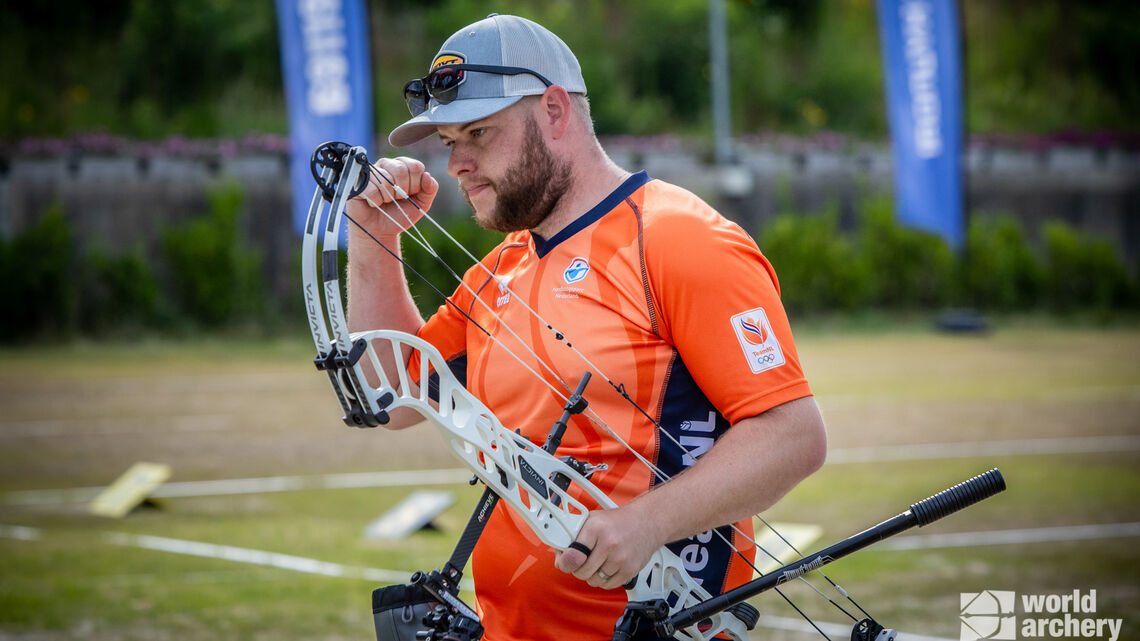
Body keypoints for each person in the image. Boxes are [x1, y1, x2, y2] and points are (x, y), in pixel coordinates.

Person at [346, 13, 827, 641]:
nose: (457, 162)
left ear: (553, 110)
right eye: (448, 141)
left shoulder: (679, 238)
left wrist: (647, 522)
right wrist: (374, 239)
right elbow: (391, 394)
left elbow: (793, 435)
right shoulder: (503, 268)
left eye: (480, 133)